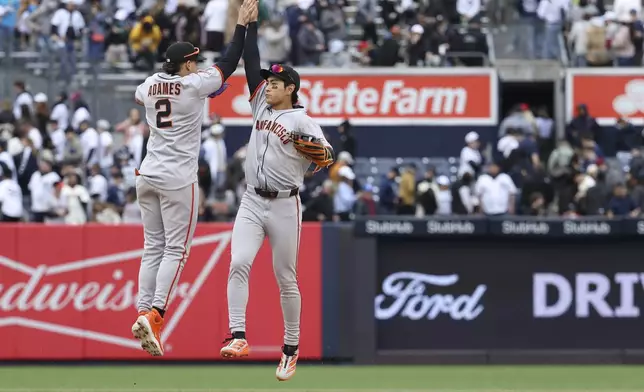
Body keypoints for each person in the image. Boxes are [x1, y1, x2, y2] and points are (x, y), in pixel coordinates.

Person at [130, 0, 255, 357]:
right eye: (194, 61)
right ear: (186, 63)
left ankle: (142, 311)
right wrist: (243, 27)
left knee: (152, 246)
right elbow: (229, 62)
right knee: (176, 249)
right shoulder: (192, 84)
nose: (197, 64)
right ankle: (155, 314)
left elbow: (141, 97)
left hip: (147, 173)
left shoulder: (151, 82)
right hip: (177, 177)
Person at [219, 5, 335, 382]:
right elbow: (251, 62)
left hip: (286, 203)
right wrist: (249, 24)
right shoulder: (259, 105)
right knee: (239, 262)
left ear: (291, 89)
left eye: (275, 83)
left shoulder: (302, 119)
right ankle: (237, 335)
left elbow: (328, 156)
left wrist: (317, 153)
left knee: (286, 277)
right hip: (252, 200)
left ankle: (291, 348)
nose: (267, 84)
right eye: (267, 81)